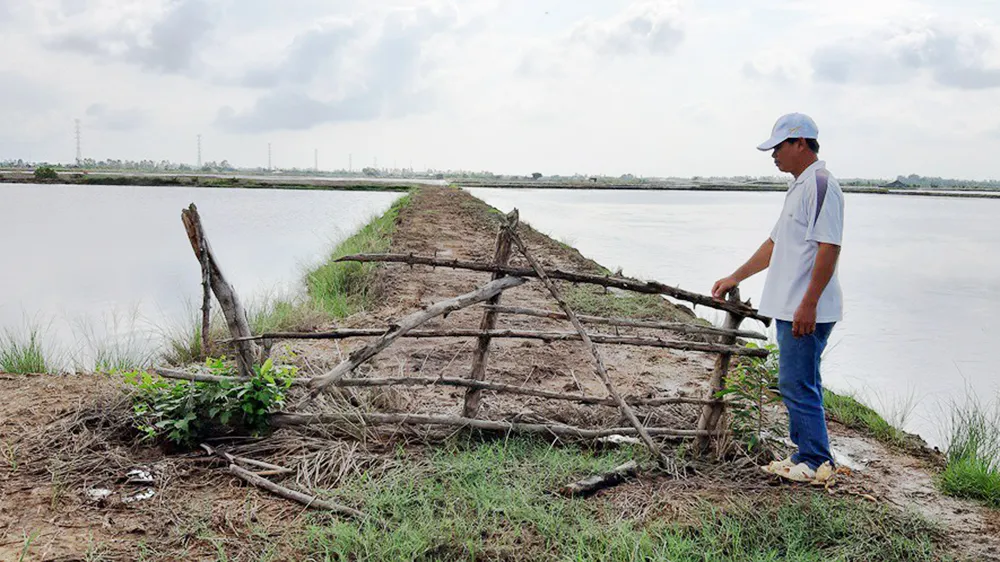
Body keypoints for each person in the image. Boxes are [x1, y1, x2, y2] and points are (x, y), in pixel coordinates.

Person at [712, 113, 844, 483]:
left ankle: (815, 460)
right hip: (794, 305)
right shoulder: (800, 187)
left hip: (805, 307)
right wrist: (736, 275)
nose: (773, 156)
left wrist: (809, 303)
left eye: (778, 148)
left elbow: (829, 247)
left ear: (800, 143)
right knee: (802, 380)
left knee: (795, 382)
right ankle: (807, 455)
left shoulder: (820, 184)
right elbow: (775, 245)